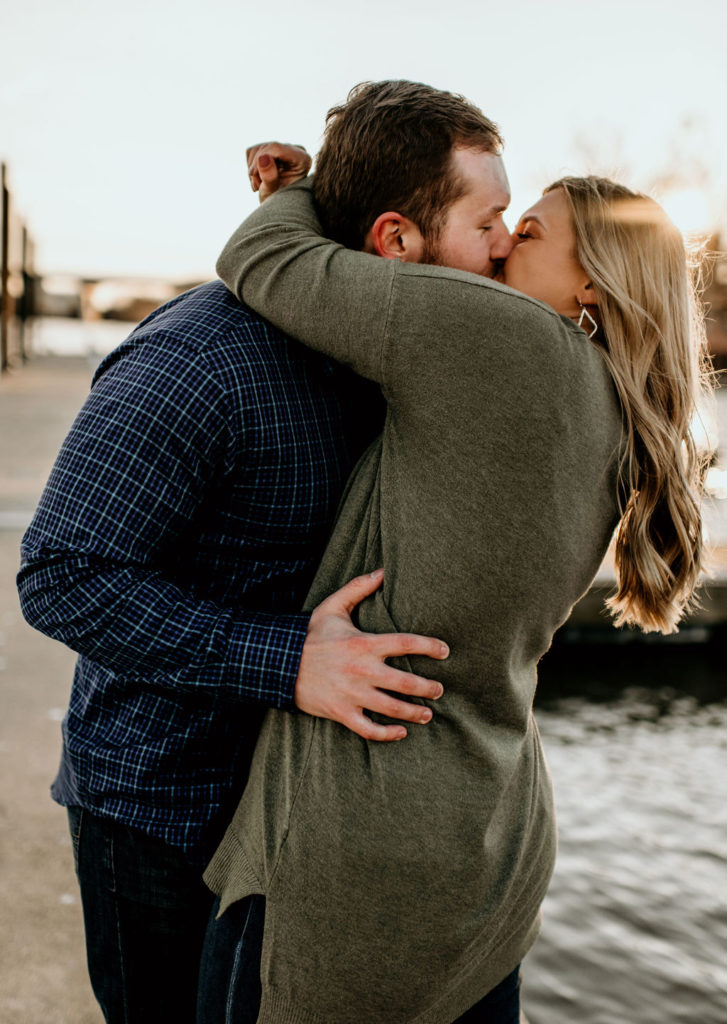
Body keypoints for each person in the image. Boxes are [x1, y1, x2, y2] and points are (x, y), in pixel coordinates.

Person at [200, 90, 711, 1022]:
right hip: (491, 854)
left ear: (590, 283)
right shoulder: (609, 413)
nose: (506, 242)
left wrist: (303, 187)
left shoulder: (505, 338)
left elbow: (261, 259)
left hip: (361, 853)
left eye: (529, 229)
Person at [15, 137, 470, 1023]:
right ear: (397, 240)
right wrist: (286, 660)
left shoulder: (393, 358)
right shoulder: (200, 360)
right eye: (486, 221)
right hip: (165, 811)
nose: (500, 246)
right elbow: (62, 573)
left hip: (298, 812)